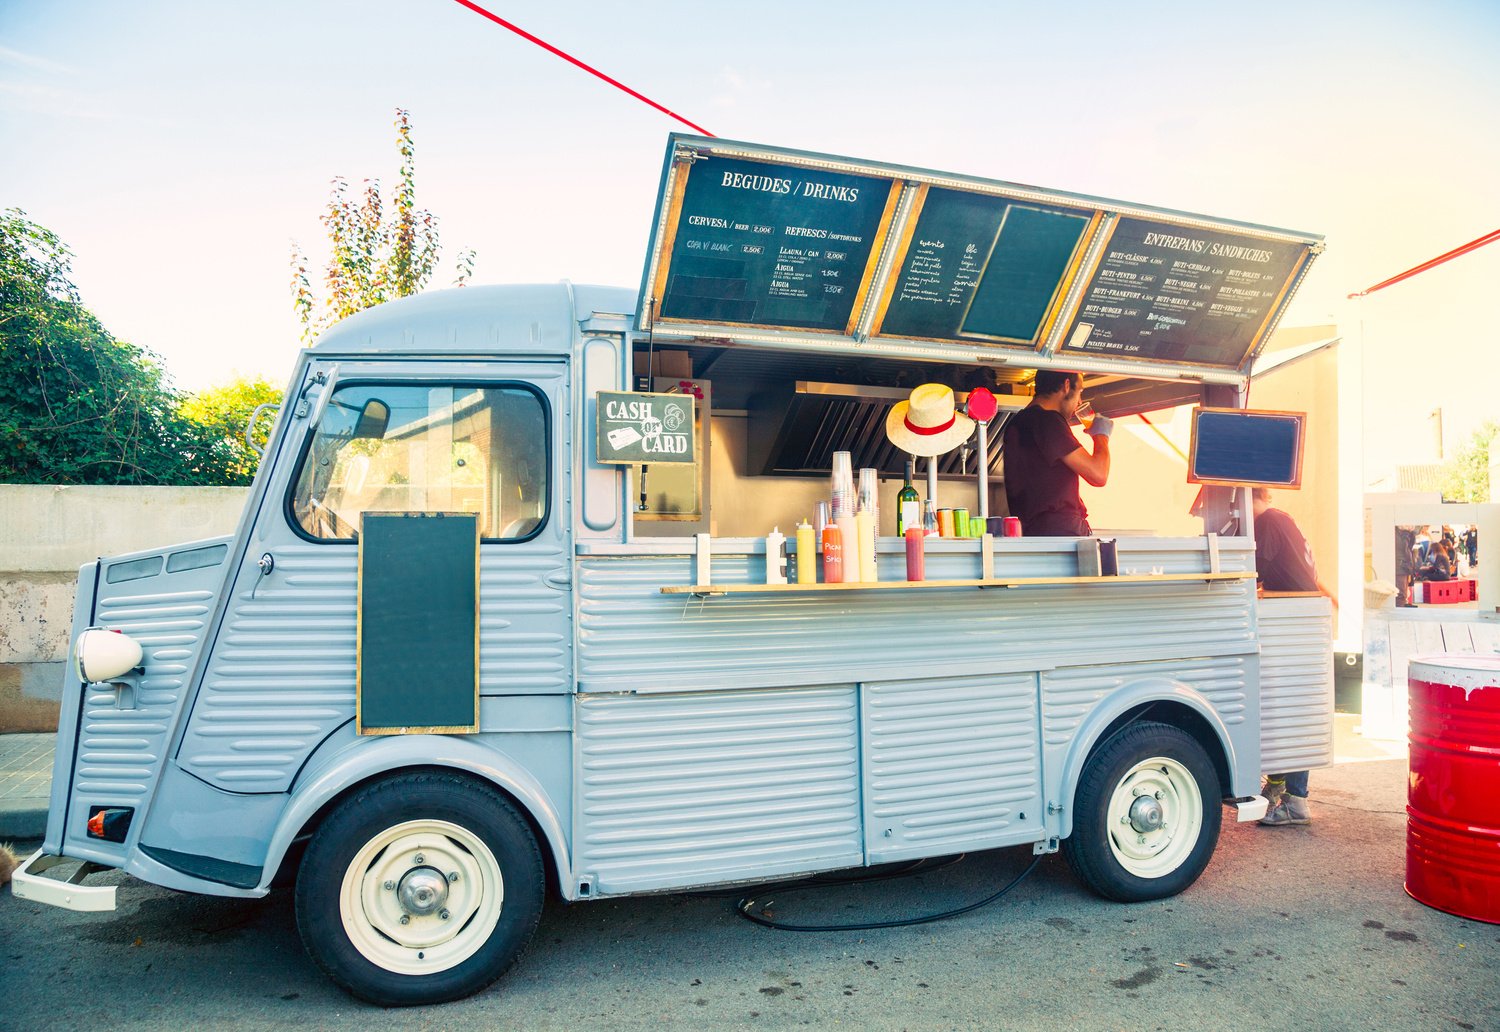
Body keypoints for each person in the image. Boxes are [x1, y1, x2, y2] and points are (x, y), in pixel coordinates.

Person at [1252, 487, 1336, 827]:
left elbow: (1252, 571)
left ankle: (1297, 802)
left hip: (1295, 620)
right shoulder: (1282, 518)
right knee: (1287, 707)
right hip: (1303, 617)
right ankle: (1277, 786)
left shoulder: (1267, 521)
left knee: (1292, 708)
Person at [1001, 370, 1112, 536]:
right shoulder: (1048, 420)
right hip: (1060, 531)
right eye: (1080, 391)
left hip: (1031, 532)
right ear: (1067, 386)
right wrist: (1100, 436)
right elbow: (1098, 474)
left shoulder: (1018, 422)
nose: (1080, 401)